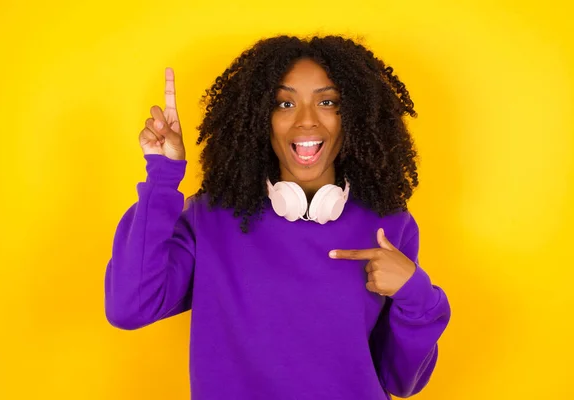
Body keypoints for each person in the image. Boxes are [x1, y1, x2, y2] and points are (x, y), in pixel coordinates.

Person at [104, 34, 451, 400]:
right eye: (284, 103)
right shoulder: (212, 218)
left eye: (328, 102)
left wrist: (415, 293)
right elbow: (130, 307)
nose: (305, 121)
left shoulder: (389, 225)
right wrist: (162, 175)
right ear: (260, 119)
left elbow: (402, 380)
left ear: (354, 116)